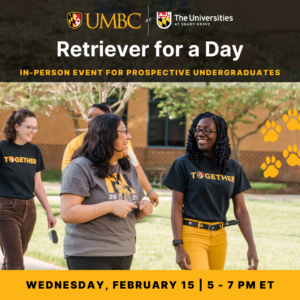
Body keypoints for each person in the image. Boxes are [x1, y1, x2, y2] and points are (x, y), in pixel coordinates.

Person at [163, 112, 259, 270]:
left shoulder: (233, 167)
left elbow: (241, 209)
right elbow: (176, 206)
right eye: (197, 129)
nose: (200, 133)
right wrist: (178, 245)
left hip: (219, 236)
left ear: (220, 134)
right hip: (192, 233)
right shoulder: (183, 163)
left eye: (207, 130)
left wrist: (251, 246)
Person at [60, 114, 153, 270]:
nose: (129, 136)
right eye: (124, 131)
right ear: (107, 135)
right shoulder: (80, 167)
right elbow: (68, 213)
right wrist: (110, 206)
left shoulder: (128, 169)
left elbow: (133, 213)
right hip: (89, 254)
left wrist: (144, 208)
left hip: (124, 252)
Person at [61, 103, 159, 206]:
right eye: (89, 116)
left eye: (97, 116)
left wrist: (149, 191)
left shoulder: (124, 144)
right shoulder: (74, 148)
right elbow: (68, 175)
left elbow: (135, 167)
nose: (91, 120)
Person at [0, 109, 57, 270]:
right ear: (17, 126)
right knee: (16, 264)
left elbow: (37, 184)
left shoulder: (34, 151)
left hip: (29, 210)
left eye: (35, 128)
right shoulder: (2, 149)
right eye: (29, 127)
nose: (33, 131)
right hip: (6, 209)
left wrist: (49, 212)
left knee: (11, 261)